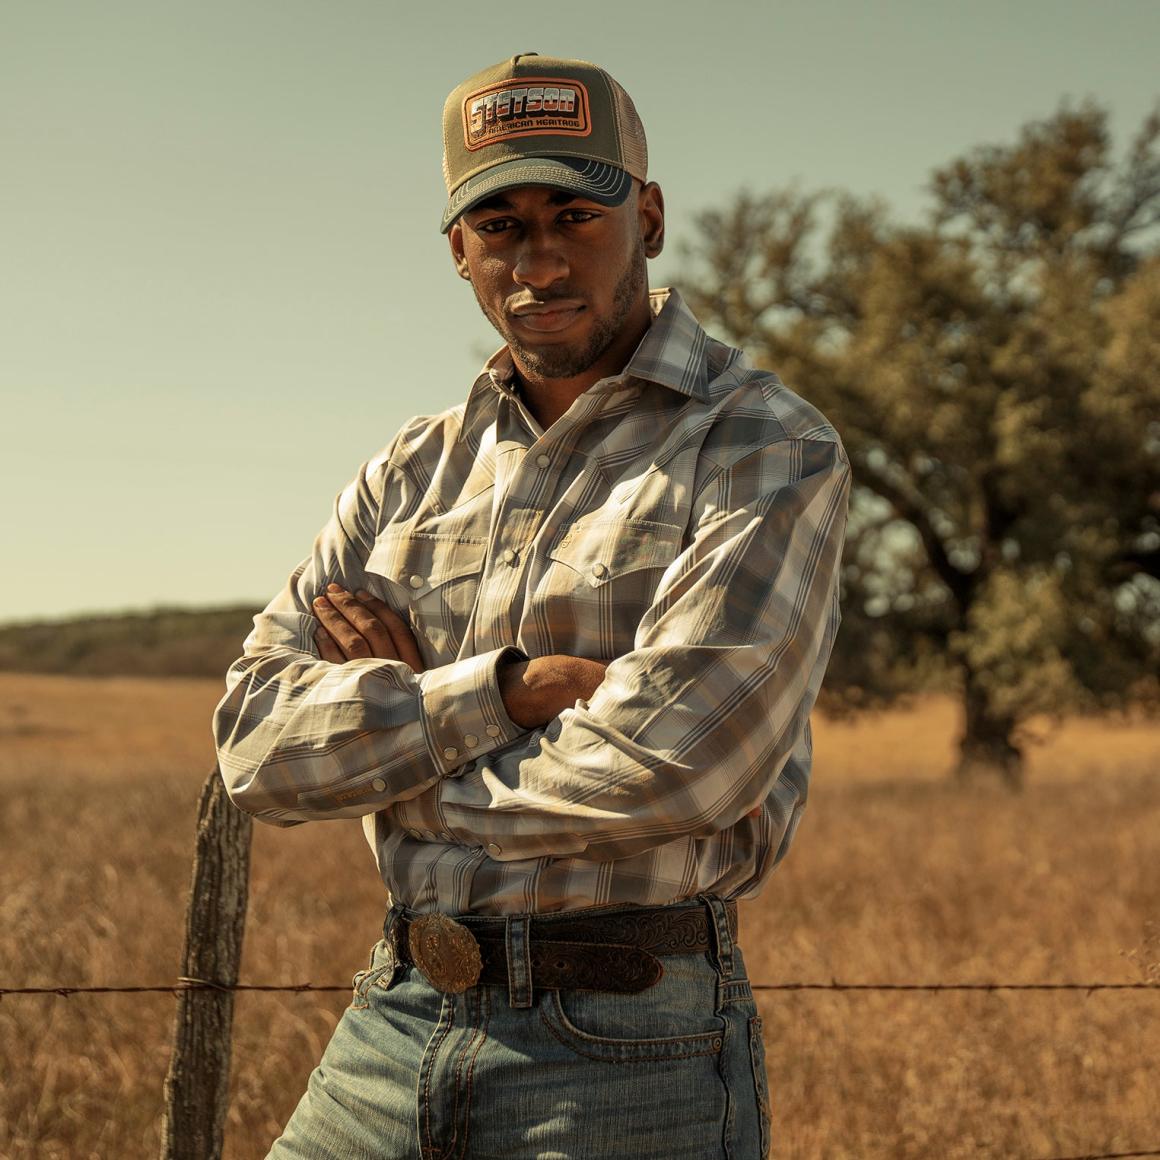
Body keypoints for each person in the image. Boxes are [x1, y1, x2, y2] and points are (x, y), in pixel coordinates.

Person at [214, 51, 850, 1160]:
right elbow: (254, 743)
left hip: (623, 1044)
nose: (538, 257)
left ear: (645, 216)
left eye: (574, 213)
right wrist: (505, 693)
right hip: (392, 1013)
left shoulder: (761, 445)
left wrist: (398, 753)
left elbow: (677, 766)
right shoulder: (409, 471)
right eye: (498, 222)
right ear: (456, 246)